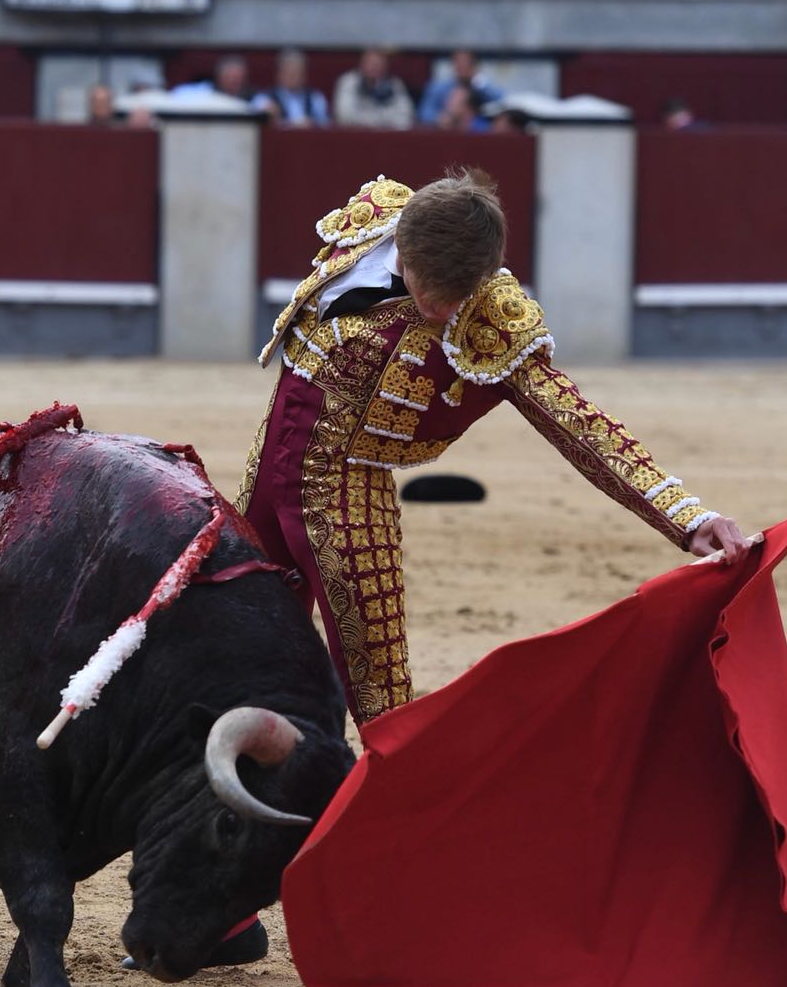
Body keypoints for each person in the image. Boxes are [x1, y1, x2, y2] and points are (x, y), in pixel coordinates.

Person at [238, 169, 749, 732]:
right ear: (402, 244)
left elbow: (576, 421)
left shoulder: (491, 315)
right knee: (239, 641)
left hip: (347, 494)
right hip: (268, 466)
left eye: (456, 294)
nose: (441, 309)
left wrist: (685, 517)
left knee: (380, 696)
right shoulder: (370, 222)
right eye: (432, 288)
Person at [418, 48, 503, 126]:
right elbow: (423, 113)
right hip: (445, 130)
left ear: (474, 66)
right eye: (459, 64)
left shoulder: (481, 87)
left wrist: (478, 81)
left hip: (475, 131)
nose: (462, 68)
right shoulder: (438, 87)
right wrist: (441, 118)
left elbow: (502, 102)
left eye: (467, 64)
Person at [333, 47, 413, 127]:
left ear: (385, 66)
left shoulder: (395, 84)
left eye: (378, 64)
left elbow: (406, 117)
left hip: (386, 133)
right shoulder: (349, 81)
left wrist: (369, 118)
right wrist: (383, 118)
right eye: (370, 63)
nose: (374, 67)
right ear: (362, 64)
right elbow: (344, 116)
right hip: (356, 133)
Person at [254, 47, 330, 124]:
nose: (292, 77)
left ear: (304, 75)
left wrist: (312, 123)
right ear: (279, 74)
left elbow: (325, 124)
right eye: (288, 72)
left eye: (296, 72)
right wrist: (268, 116)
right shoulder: (264, 98)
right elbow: (256, 120)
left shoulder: (315, 98)